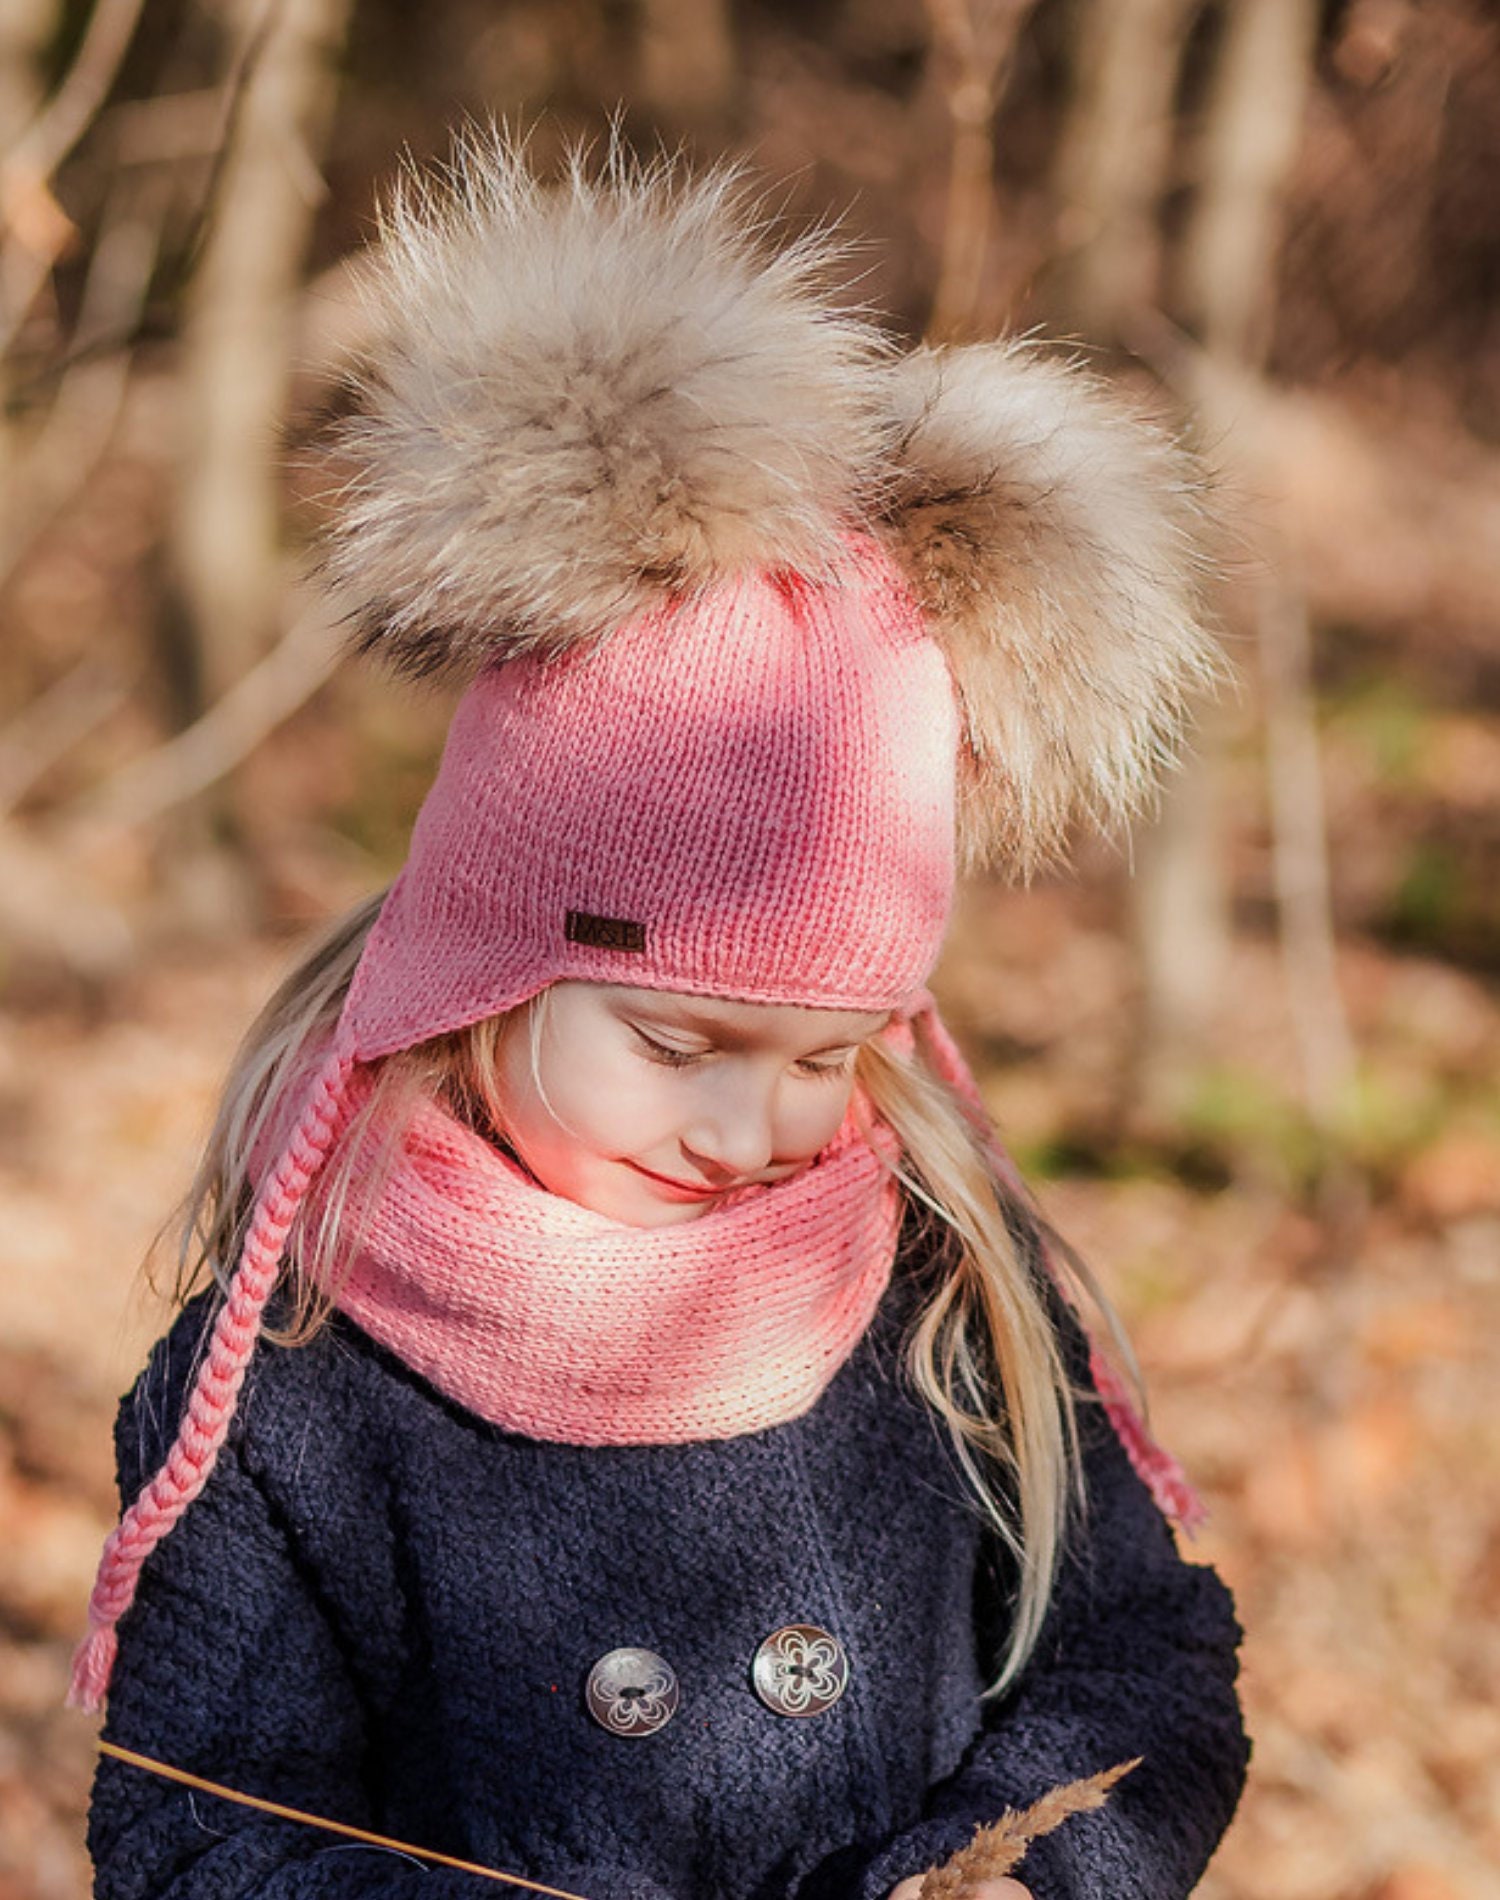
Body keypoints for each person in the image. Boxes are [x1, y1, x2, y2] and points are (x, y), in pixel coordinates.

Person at [75, 135, 1249, 1900]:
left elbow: (1144, 1654)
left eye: (825, 1054)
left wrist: (1025, 1870)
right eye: (679, 1044)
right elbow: (194, 1829)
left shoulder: (929, 1274)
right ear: (485, 968)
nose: (751, 1125)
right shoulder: (305, 1367)